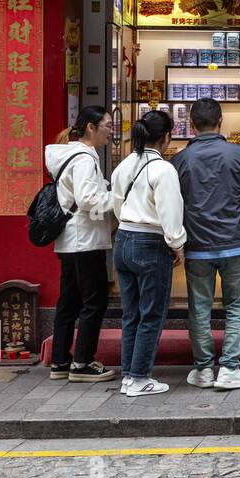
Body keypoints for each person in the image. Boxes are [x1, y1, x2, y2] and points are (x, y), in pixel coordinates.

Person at [173, 98, 240, 392]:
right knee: (236, 307)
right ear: (221, 121)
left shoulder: (181, 160)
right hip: (234, 241)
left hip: (197, 244)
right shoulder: (238, 154)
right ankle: (230, 368)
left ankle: (203, 369)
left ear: (192, 125)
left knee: (199, 308)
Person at [111, 109, 186, 397]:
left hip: (124, 238)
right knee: (152, 314)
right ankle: (141, 377)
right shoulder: (164, 170)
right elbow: (170, 213)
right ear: (166, 137)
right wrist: (177, 244)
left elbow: (116, 202)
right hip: (150, 243)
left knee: (131, 314)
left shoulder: (126, 164)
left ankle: (129, 375)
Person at [43, 106, 117, 383]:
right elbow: (88, 200)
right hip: (86, 240)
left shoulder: (69, 154)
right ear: (90, 127)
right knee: (93, 302)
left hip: (69, 240)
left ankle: (60, 361)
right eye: (107, 126)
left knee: (69, 302)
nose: (111, 131)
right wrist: (117, 199)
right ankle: (83, 362)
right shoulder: (85, 158)